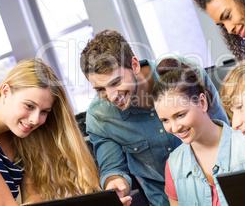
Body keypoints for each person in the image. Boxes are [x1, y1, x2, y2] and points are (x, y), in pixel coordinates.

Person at [79, 29, 229, 206]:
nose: (112, 97)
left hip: (219, 187)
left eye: (116, 82)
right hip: (164, 199)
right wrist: (115, 185)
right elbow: (112, 168)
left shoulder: (183, 72)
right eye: (100, 89)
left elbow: (223, 131)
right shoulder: (100, 116)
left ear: (134, 65)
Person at [0, 58, 100, 205]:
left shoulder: (20, 135)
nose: (35, 120)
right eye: (29, 106)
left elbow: (32, 195)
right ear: (6, 92)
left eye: (44, 111)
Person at [152, 58, 245, 206]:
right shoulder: (173, 165)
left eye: (180, 115)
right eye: (165, 120)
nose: (174, 128)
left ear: (202, 102)